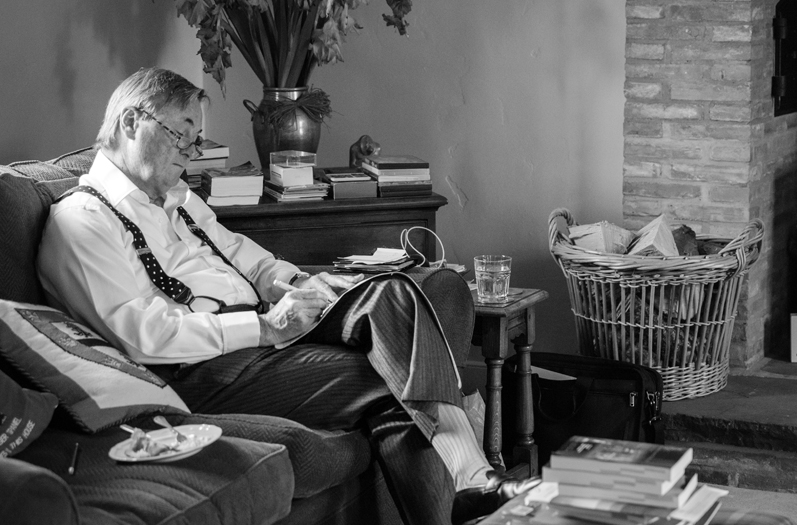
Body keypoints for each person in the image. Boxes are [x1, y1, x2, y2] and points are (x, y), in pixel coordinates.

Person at [37, 67, 539, 525]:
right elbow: (142, 335)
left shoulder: (179, 200)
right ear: (131, 122)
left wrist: (298, 284)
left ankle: (473, 484)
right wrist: (265, 327)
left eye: (195, 140)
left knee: (392, 294)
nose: (189, 152)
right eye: (180, 135)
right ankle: (474, 483)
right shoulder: (83, 220)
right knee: (392, 373)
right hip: (197, 372)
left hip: (264, 336)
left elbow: (248, 258)